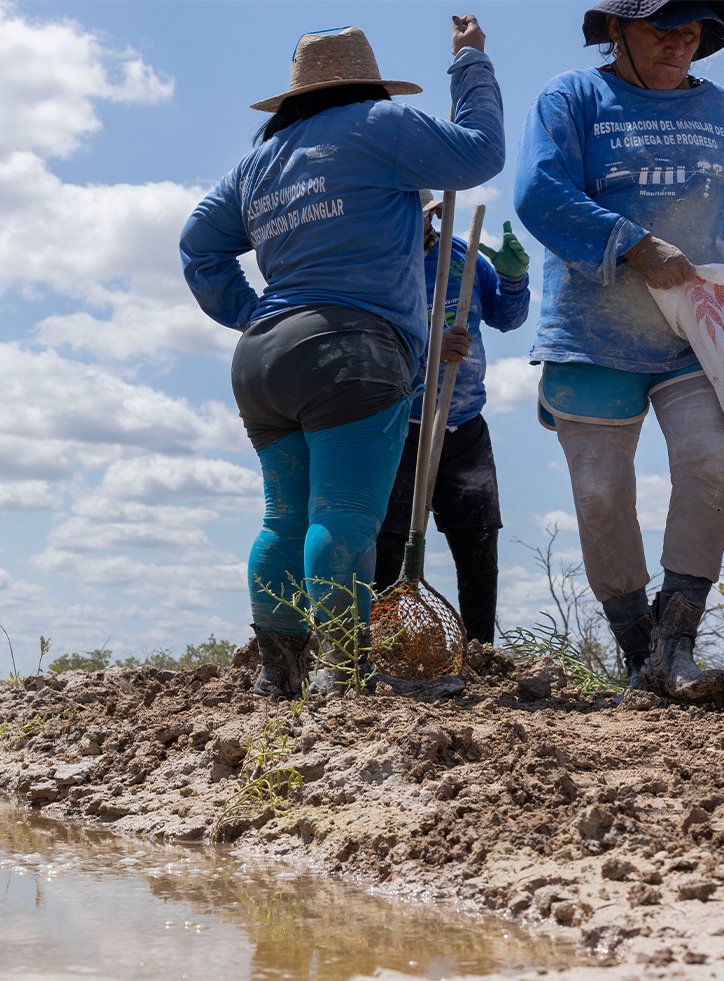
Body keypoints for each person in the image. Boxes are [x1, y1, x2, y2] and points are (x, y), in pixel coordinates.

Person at [180, 19, 505, 698]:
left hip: (264, 358)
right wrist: (471, 64)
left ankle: (281, 678)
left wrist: (251, 312)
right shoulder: (378, 124)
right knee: (345, 515)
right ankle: (349, 674)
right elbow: (479, 152)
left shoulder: (258, 162)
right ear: (366, 83)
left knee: (283, 520)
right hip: (352, 353)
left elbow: (197, 246)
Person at [513, 0, 724, 698]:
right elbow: (538, 191)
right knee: (601, 496)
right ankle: (637, 652)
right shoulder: (574, 96)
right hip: (593, 333)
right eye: (661, 27)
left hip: (698, 334)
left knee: (709, 463)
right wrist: (636, 246)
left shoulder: (719, 108)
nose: (680, 42)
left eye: (694, 29)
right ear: (617, 28)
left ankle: (678, 644)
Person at [373, 195, 530, 645]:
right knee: (387, 542)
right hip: (400, 424)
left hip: (464, 423)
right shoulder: (376, 266)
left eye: (422, 217)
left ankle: (480, 652)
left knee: (479, 542)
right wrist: (429, 351)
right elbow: (367, 344)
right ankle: (383, 647)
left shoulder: (462, 257)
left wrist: (513, 279)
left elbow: (507, 318)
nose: (416, 226)